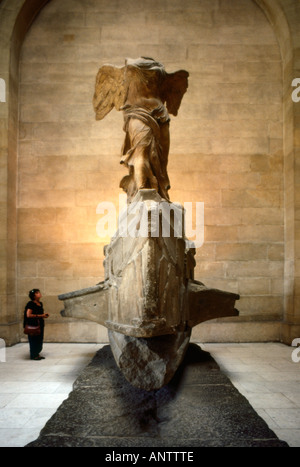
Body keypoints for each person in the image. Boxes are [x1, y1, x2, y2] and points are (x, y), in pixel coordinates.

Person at [23, 289, 49, 360]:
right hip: (33, 325)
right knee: (33, 340)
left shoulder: (40, 303)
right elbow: (28, 315)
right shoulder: (30, 304)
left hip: (39, 325)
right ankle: (33, 355)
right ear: (34, 296)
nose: (39, 294)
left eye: (39, 292)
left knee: (39, 340)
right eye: (37, 293)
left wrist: (43, 315)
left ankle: (37, 354)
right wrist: (41, 316)